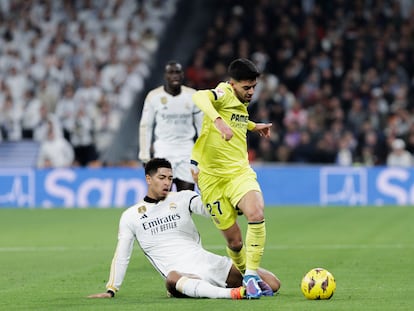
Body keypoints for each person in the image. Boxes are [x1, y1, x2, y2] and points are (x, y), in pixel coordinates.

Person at [88, 158, 280, 300]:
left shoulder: (183, 198)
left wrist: (204, 188)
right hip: (182, 274)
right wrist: (111, 289)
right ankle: (232, 294)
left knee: (273, 283)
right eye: (161, 177)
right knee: (171, 279)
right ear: (148, 179)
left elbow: (213, 211)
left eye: (170, 178)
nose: (167, 182)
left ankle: (222, 288)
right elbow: (122, 255)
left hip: (208, 263)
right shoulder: (131, 216)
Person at [190, 58, 273, 298]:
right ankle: (248, 275)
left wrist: (253, 126)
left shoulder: (239, 101)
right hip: (211, 179)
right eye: (246, 87)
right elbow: (199, 97)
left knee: (256, 212)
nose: (251, 92)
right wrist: (217, 121)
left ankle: (250, 275)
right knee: (235, 242)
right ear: (232, 83)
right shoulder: (223, 93)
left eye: (254, 87)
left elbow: (235, 119)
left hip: (239, 171)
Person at [138, 61, 203, 191]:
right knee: (161, 197)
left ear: (182, 75)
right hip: (163, 150)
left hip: (186, 151)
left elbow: (202, 128)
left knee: (186, 196)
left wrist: (204, 154)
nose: (175, 76)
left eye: (177, 72)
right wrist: (144, 155)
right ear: (165, 76)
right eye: (171, 72)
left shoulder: (193, 96)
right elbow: (146, 126)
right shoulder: (154, 97)